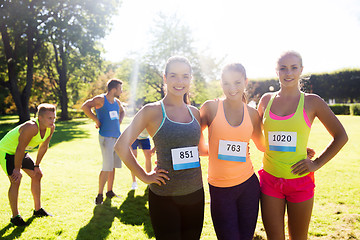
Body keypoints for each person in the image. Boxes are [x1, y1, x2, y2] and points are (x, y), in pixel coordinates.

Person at [257, 51, 348, 239]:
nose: (288, 73)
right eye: (283, 68)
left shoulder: (312, 102)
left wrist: (316, 163)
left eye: (293, 68)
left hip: (300, 182)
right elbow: (257, 135)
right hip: (270, 180)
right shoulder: (266, 100)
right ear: (277, 71)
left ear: (301, 70)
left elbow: (341, 136)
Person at [114, 56, 206, 240]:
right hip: (165, 197)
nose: (179, 82)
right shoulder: (152, 111)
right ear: (165, 78)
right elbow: (121, 146)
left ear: (190, 79)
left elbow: (202, 149)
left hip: (195, 194)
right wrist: (144, 176)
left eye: (185, 76)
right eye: (174, 76)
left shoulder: (194, 112)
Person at [200, 63, 265, 240]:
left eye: (237, 82)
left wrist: (298, 150)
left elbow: (262, 146)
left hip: (248, 187)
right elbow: (198, 147)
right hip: (220, 189)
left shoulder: (252, 114)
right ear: (220, 83)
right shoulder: (210, 108)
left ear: (246, 82)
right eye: (227, 83)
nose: (232, 88)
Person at [0, 103, 56, 226]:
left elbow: (43, 146)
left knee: (37, 175)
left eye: (54, 117)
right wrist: (16, 169)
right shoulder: (31, 127)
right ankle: (15, 217)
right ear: (40, 118)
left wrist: (37, 165)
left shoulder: (50, 128)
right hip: (7, 151)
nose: (52, 121)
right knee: (16, 180)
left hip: (21, 152)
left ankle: (38, 210)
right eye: (49, 118)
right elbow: (20, 148)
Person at [81, 79, 125, 205]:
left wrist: (120, 121)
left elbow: (122, 112)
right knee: (107, 166)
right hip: (106, 137)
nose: (121, 91)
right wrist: (96, 120)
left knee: (113, 166)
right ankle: (99, 195)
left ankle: (109, 191)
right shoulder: (100, 100)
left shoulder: (117, 102)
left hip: (117, 137)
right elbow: (85, 107)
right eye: (120, 88)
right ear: (114, 89)